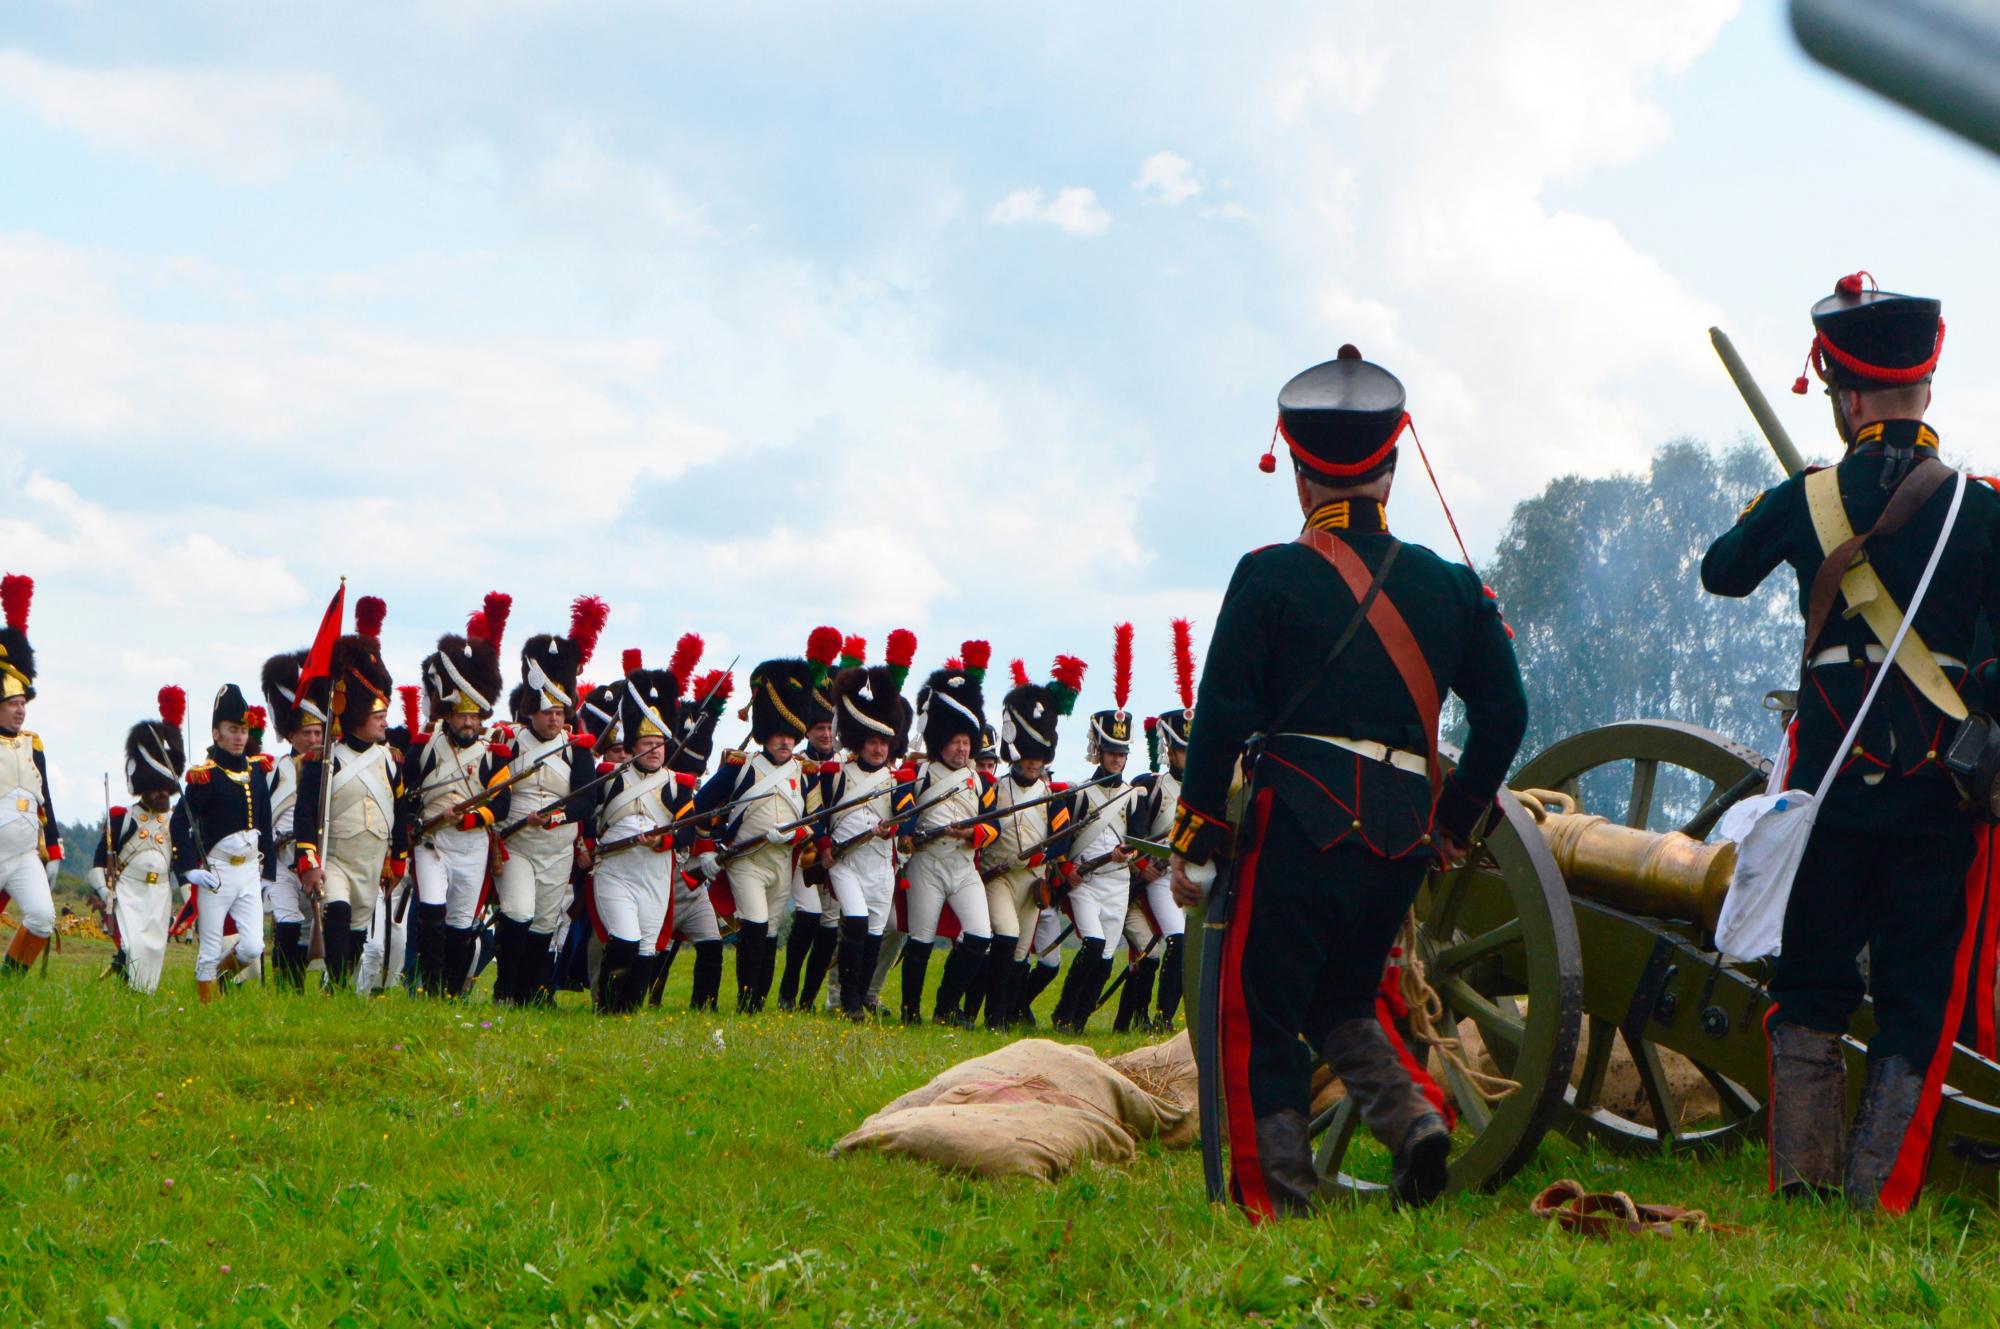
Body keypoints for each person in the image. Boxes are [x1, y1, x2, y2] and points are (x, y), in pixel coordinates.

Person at [1167, 344, 1526, 1218]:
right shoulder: (1453, 588)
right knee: (1345, 996)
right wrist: (1455, 819)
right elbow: (1506, 713)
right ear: (1392, 469)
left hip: (1301, 822)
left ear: (1298, 474)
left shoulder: (1269, 574)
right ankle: (1411, 1121)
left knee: (1259, 1005)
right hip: (1403, 830)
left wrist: (1198, 833)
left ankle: (1279, 1194)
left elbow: (1218, 718)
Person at [1701, 272, 2000, 1215]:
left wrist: (1796, 511)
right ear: (1924, 386)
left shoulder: (1811, 497)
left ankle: (1801, 1187)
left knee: (1813, 984)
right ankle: (1877, 1194)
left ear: (1849, 393)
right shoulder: (1985, 511)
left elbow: (1721, 571)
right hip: (1937, 798)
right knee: (1914, 1001)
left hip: (1829, 787)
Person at [492, 596, 608, 1004]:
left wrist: (556, 819)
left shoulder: (578, 749)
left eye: (560, 712)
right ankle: (504, 990)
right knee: (518, 912)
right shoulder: (508, 741)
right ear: (532, 711)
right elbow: (499, 793)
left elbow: (583, 801)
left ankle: (525, 994)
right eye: (547, 712)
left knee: (543, 924)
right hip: (518, 844)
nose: (554, 719)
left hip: (557, 847)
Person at [691, 657, 816, 1012]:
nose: (785, 741)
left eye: (790, 735)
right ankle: (746, 1000)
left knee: (772, 932)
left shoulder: (804, 772)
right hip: (746, 861)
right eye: (779, 734)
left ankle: (757, 1004)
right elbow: (702, 807)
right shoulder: (740, 766)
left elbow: (811, 818)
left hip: (781, 861)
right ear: (765, 733)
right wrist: (705, 850)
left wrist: (796, 834)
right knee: (755, 927)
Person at [295, 598, 408, 989]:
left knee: (358, 932)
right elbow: (306, 812)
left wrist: (398, 859)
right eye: (378, 716)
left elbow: (402, 811)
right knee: (338, 914)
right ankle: (339, 986)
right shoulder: (324, 760)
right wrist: (308, 858)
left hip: (372, 859)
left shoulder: (390, 760)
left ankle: (338, 990)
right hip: (337, 859)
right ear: (359, 714)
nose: (384, 723)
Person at [406, 603, 514, 996]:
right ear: (448, 715)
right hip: (433, 843)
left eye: (474, 717)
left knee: (460, 924)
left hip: (472, 844)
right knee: (431, 914)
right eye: (461, 716)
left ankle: (451, 992)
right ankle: (431, 989)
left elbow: (500, 804)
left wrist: (467, 820)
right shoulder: (426, 745)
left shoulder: (495, 754)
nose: (468, 723)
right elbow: (409, 792)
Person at [972, 655, 1084, 1029]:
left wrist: (1047, 855)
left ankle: (1002, 1014)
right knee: (1004, 937)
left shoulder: (1053, 796)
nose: (1033, 763)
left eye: (1039, 757)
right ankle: (988, 1015)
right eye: (1029, 756)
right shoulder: (994, 789)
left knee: (1020, 952)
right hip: (998, 875)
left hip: (1031, 879)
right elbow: (983, 829)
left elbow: (1062, 841)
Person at [897, 643, 999, 1026]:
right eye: (956, 741)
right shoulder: (919, 774)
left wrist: (973, 832)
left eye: (967, 742)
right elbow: (904, 814)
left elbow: (993, 824)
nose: (962, 747)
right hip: (927, 861)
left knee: (979, 936)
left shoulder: (981, 781)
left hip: (963, 862)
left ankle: (946, 1007)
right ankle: (910, 1011)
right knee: (921, 941)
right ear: (941, 741)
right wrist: (908, 835)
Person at [810, 652, 913, 1019]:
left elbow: (908, 819)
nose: (879, 748)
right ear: (858, 740)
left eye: (884, 742)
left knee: (873, 936)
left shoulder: (897, 781)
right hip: (844, 861)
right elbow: (818, 817)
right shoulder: (836, 773)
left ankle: (856, 999)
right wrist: (824, 847)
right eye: (872, 741)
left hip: (880, 866)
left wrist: (897, 827)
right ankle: (846, 1001)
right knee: (853, 922)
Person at [1051, 624, 1143, 1035]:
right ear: (1098, 751)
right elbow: (1060, 840)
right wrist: (1062, 867)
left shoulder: (1134, 795)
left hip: (1118, 882)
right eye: (1111, 752)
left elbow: (1137, 839)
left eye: (1122, 753)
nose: (1117, 760)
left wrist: (1133, 856)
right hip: (1085, 880)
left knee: (1106, 958)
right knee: (1090, 946)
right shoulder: (1078, 794)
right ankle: (1063, 1015)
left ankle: (1081, 1019)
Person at [589, 667, 686, 1013]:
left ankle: (628, 1012)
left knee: (647, 947)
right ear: (633, 745)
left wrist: (662, 842)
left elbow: (687, 826)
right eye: (648, 744)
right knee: (625, 940)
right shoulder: (607, 777)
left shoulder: (679, 784)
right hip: (616, 871)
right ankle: (608, 1008)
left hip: (655, 873)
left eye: (660, 743)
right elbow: (585, 816)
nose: (656, 750)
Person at [173, 685, 276, 1001]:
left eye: (243, 730)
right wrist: (189, 868)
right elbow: (180, 824)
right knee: (209, 947)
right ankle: (207, 1004)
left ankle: (218, 981)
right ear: (216, 733)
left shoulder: (257, 769)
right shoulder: (205, 776)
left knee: (253, 947)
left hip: (248, 871)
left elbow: (265, 823)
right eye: (232, 730)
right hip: (216, 873)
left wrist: (268, 874)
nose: (239, 737)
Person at [92, 686, 187, 994]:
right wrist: (104, 890)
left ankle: (137, 998)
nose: (162, 791)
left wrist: (189, 899)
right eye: (156, 785)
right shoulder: (122, 818)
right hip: (129, 891)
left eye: (166, 786)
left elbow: (181, 865)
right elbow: (97, 863)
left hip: (160, 893)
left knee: (153, 953)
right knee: (134, 949)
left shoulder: (176, 821)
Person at [0, 574, 60, 975]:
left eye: (24, 703)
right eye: (12, 703)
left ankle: (9, 978)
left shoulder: (32, 743)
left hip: (24, 853)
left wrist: (52, 849)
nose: (21, 710)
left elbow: (46, 800)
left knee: (42, 917)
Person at [260, 650, 329, 990]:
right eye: (307, 733)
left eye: (318, 733)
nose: (314, 740)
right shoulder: (272, 769)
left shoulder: (330, 769)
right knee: (287, 923)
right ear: (291, 735)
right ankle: (289, 988)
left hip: (317, 855)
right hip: (281, 855)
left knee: (310, 928)